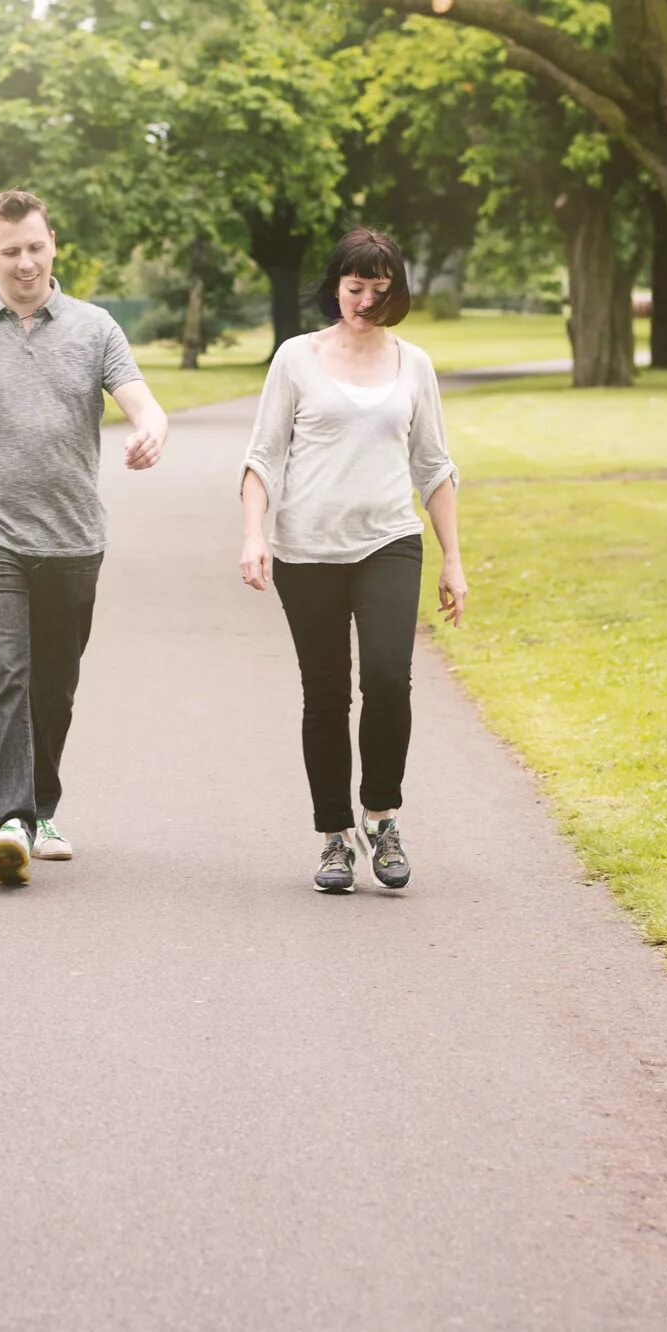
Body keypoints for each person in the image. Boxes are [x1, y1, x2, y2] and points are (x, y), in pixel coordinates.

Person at [0, 189, 171, 886]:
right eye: (10, 251)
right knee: (5, 675)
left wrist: (152, 430)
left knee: (54, 686)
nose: (25, 263)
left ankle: (40, 807)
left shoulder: (95, 328)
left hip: (72, 538)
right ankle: (4, 824)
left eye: (36, 247)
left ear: (53, 243)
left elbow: (142, 402)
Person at [237, 227, 467, 894]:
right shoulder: (296, 359)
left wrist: (453, 558)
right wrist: (255, 533)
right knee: (328, 693)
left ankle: (383, 815)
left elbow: (434, 466)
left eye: (380, 291)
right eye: (355, 288)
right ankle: (335, 836)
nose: (365, 302)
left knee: (390, 679)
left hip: (390, 540)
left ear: (397, 293)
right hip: (306, 549)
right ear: (335, 285)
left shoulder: (413, 365)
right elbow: (262, 457)